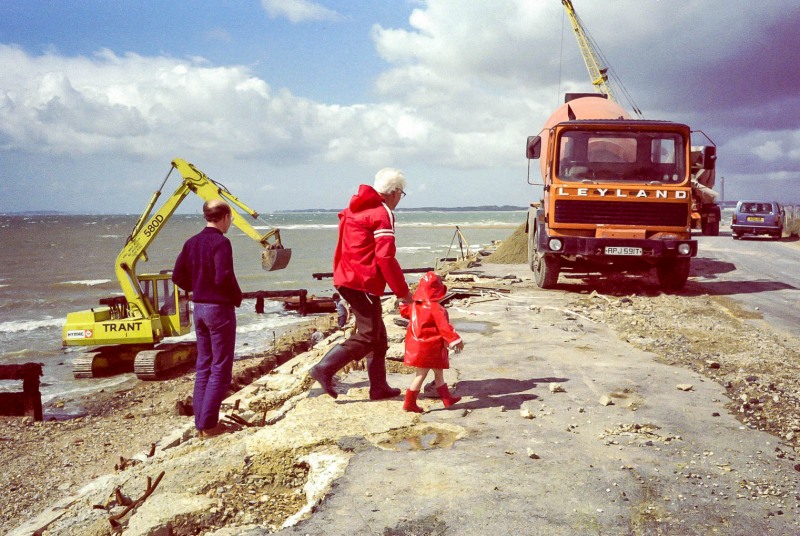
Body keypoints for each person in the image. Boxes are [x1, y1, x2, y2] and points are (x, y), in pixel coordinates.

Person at [309, 168, 413, 400]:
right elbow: (385, 257)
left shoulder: (355, 210)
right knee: (368, 335)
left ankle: (378, 387)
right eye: (401, 194)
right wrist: (403, 292)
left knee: (378, 336)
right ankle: (324, 368)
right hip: (361, 281)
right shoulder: (381, 213)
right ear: (395, 192)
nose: (400, 199)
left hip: (347, 277)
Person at [172, 199, 243, 438]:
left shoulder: (191, 242)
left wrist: (197, 287)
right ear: (224, 216)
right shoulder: (221, 243)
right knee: (221, 368)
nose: (230, 223)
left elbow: (177, 276)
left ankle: (201, 423)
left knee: (204, 366)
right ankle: (209, 425)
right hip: (218, 309)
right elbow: (224, 276)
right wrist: (236, 296)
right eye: (230, 219)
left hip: (199, 308)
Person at [399, 271, 464, 412]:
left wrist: (402, 301)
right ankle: (409, 404)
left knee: (438, 374)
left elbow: (405, 311)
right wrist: (455, 340)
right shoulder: (436, 308)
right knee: (421, 376)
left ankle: (447, 400)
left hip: (418, 346)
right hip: (431, 347)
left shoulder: (416, 306)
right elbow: (444, 327)